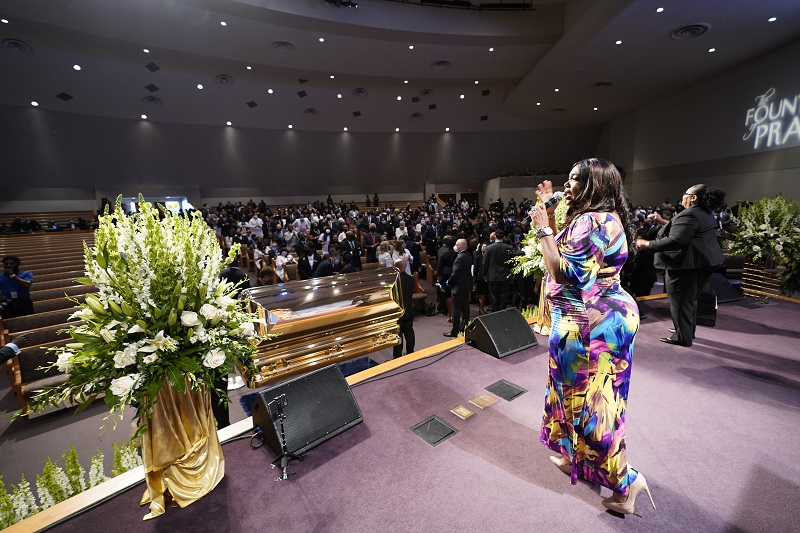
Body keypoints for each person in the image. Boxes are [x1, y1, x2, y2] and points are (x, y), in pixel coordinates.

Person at [530, 158, 654, 515]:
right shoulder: (599, 217)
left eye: (574, 180)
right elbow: (566, 257)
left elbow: (566, 271)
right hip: (589, 319)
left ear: (595, 184)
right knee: (575, 398)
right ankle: (578, 459)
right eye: (567, 178)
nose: (567, 185)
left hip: (591, 325)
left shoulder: (593, 221)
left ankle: (626, 484)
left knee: (594, 406)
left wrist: (542, 229)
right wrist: (551, 222)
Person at [635, 184, 725, 347]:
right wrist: (663, 222)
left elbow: (677, 240)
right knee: (690, 299)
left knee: (680, 299)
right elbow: (686, 231)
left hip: (686, 265)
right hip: (704, 262)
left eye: (686, 193)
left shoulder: (690, 214)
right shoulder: (704, 213)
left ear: (694, 198)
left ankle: (682, 337)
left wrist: (646, 243)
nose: (682, 196)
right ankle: (687, 330)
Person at [443, 239, 472, 337]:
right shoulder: (468, 255)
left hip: (458, 287)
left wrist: (449, 282)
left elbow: (455, 273)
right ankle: (464, 327)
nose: (455, 246)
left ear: (461, 246)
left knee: (456, 310)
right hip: (466, 286)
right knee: (465, 308)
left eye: (456, 245)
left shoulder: (460, 257)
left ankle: (454, 331)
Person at [482, 230, 514, 312]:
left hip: (492, 275)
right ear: (503, 237)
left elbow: (485, 262)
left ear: (495, 236)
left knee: (493, 295)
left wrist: (485, 274)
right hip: (505, 275)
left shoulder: (489, 248)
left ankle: (494, 311)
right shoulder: (509, 248)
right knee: (504, 294)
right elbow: (512, 262)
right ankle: (502, 311)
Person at [392, 257, 416, 358]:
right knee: (409, 332)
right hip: (409, 309)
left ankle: (397, 356)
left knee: (398, 334)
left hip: (398, 312)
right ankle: (410, 352)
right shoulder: (411, 278)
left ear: (396, 267)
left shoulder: (394, 281)